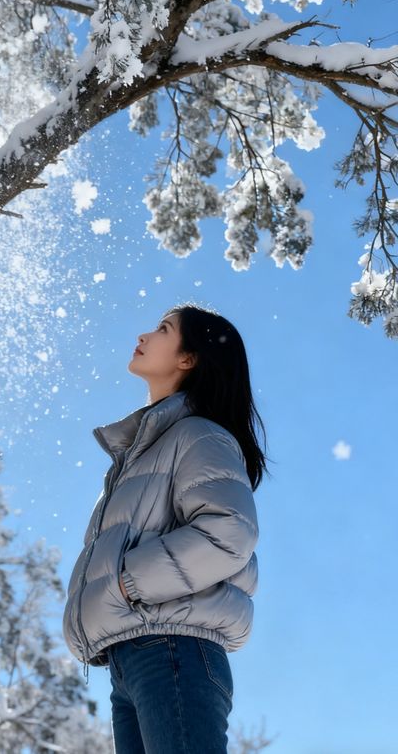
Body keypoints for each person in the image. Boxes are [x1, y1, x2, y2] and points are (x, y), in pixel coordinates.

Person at [62, 303, 270, 753]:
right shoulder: (141, 454)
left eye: (163, 329)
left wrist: (127, 582)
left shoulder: (199, 435)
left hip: (173, 649)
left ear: (188, 358)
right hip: (132, 657)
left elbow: (229, 531)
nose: (144, 334)